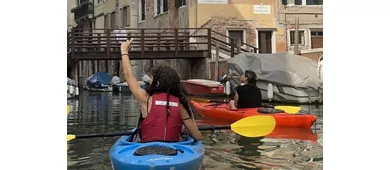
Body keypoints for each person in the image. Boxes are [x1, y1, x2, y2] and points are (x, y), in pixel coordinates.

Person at [120, 39, 202, 142]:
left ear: (157, 83)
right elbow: (197, 136)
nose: (150, 81)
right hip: (174, 151)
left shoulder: (146, 99)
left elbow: (128, 75)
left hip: (147, 150)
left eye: (152, 79)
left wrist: (124, 51)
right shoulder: (180, 104)